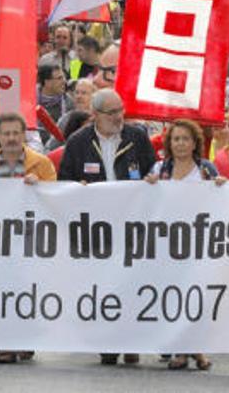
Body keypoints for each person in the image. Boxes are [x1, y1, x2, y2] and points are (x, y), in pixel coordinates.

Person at [58, 89, 155, 366]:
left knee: (131, 283)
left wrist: (151, 180)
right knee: (103, 284)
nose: (118, 117)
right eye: (112, 113)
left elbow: (152, 170)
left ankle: (131, 340)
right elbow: (65, 179)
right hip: (97, 228)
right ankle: (108, 341)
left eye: (120, 110)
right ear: (96, 115)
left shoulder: (137, 137)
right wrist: (79, 189)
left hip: (131, 224)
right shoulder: (78, 142)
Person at [0, 112, 56, 364]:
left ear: (24, 135)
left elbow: (57, 196)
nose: (11, 138)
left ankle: (26, 340)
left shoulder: (41, 164)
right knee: (1, 291)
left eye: (15, 133)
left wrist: (41, 186)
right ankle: (5, 343)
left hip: (32, 240)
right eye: (6, 133)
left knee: (28, 291)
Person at [145, 119, 225, 371]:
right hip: (167, 243)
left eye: (185, 139)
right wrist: (148, 185)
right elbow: (146, 202)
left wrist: (221, 186)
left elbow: (221, 200)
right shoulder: (161, 168)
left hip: (198, 241)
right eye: (176, 139)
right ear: (169, 143)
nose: (180, 143)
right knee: (174, 295)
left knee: (197, 295)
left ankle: (197, 348)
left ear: (195, 143)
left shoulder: (205, 169)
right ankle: (181, 349)